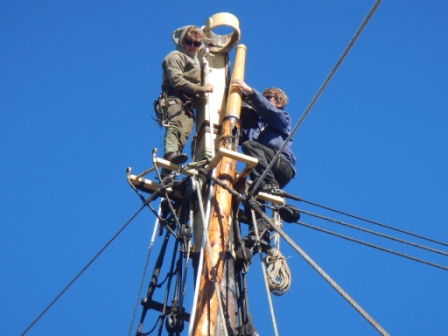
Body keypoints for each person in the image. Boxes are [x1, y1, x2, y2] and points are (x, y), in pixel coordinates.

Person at [231, 79, 296, 251]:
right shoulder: (253, 129)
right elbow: (235, 136)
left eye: (270, 97)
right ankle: (259, 236)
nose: (265, 99)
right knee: (252, 195)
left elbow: (268, 111)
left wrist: (250, 92)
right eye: (264, 96)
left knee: (250, 147)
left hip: (281, 166)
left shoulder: (282, 119)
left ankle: (270, 186)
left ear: (279, 103)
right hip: (263, 170)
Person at [158, 25, 213, 173]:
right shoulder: (175, 56)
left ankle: (168, 172)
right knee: (176, 126)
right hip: (176, 97)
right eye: (189, 42)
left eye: (196, 43)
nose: (192, 46)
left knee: (183, 136)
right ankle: (170, 154)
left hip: (189, 103)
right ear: (183, 40)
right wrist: (203, 89)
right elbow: (177, 81)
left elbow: (203, 49)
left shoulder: (196, 59)